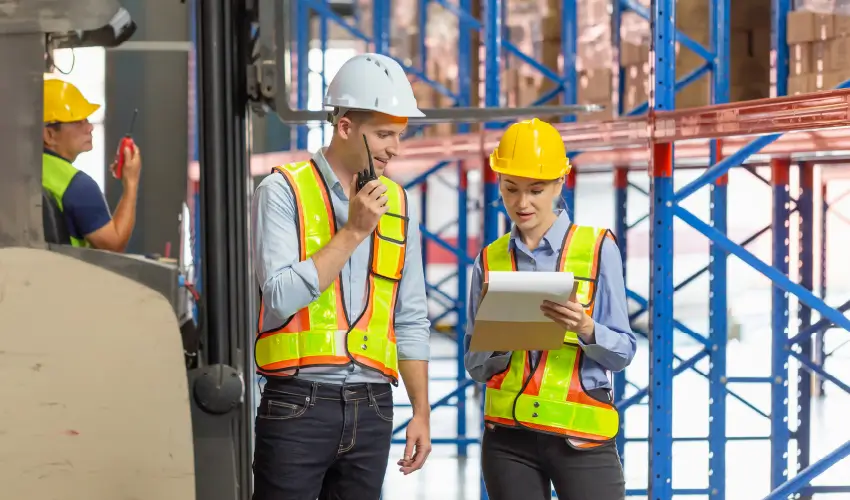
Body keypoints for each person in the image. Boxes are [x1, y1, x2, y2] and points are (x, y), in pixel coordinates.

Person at [250, 52, 432, 500]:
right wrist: (353, 231)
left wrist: (421, 412)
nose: (395, 147)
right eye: (384, 134)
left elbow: (409, 318)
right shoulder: (282, 192)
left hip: (373, 406)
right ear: (345, 126)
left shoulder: (398, 204)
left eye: (400, 135)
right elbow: (278, 295)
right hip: (297, 402)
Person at [464, 118, 636, 500]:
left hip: (582, 437)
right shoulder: (489, 261)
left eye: (536, 190)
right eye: (511, 189)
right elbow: (475, 366)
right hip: (508, 440)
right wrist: (501, 340)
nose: (522, 203)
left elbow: (623, 352)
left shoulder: (597, 249)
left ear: (561, 182)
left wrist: (588, 328)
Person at [42, 78, 141, 251]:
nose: (89, 128)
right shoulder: (77, 186)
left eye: (86, 120)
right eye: (77, 121)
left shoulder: (22, 170)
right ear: (49, 135)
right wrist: (131, 183)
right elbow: (113, 245)